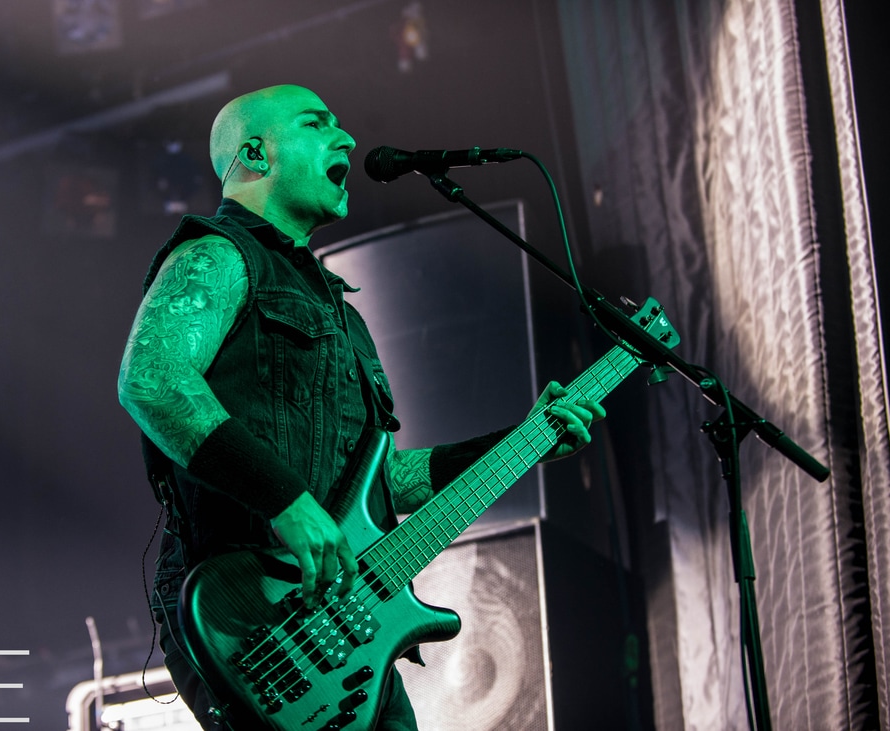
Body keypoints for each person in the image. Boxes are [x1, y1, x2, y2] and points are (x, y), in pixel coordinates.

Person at [117, 84, 605, 731]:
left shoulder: (344, 316)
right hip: (249, 610)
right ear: (256, 154)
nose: (345, 137)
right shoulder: (217, 254)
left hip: (343, 630)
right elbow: (152, 380)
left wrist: (524, 440)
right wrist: (287, 502)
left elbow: (384, 481)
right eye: (317, 123)